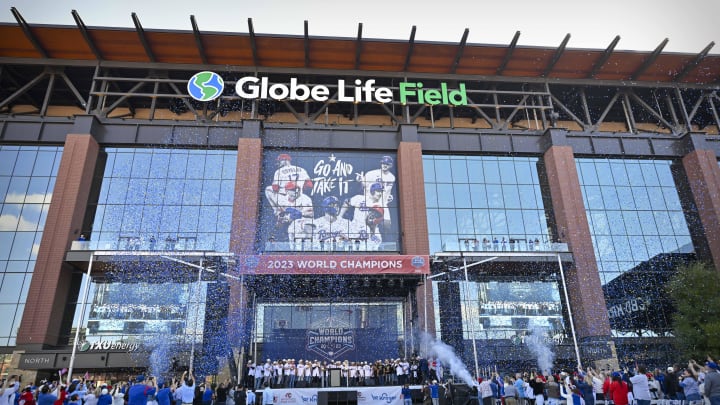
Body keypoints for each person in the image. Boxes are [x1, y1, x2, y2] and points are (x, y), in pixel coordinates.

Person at [358, 155, 395, 226]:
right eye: (383, 163)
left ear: (390, 165)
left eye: (387, 164)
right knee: (365, 223)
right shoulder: (371, 173)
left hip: (382, 204)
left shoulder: (392, 177)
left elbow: (387, 191)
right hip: (369, 202)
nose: (385, 165)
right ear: (381, 163)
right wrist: (361, 182)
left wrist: (388, 197)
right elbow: (363, 187)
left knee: (387, 224)